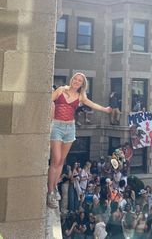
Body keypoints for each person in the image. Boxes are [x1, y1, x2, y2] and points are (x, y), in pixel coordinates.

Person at [47, 72, 111, 209]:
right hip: (57, 126)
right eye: (75, 79)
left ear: (82, 84)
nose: (76, 81)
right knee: (56, 159)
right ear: (72, 80)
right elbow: (48, 101)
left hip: (70, 128)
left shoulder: (81, 96)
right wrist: (50, 115)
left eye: (79, 80)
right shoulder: (61, 90)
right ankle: (50, 192)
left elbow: (92, 104)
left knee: (61, 161)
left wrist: (105, 109)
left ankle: (54, 188)